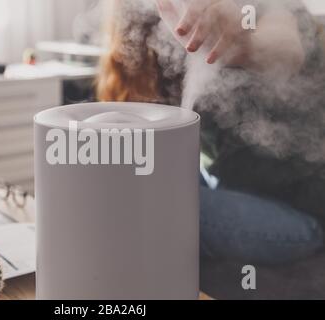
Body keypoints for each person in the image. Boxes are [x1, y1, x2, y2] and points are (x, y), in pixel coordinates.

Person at [97, 0, 325, 264]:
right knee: (131, 184)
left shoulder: (269, 8)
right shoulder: (167, 33)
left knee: (140, 204)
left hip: (299, 211)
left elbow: (287, 46)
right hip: (228, 183)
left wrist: (246, 45)